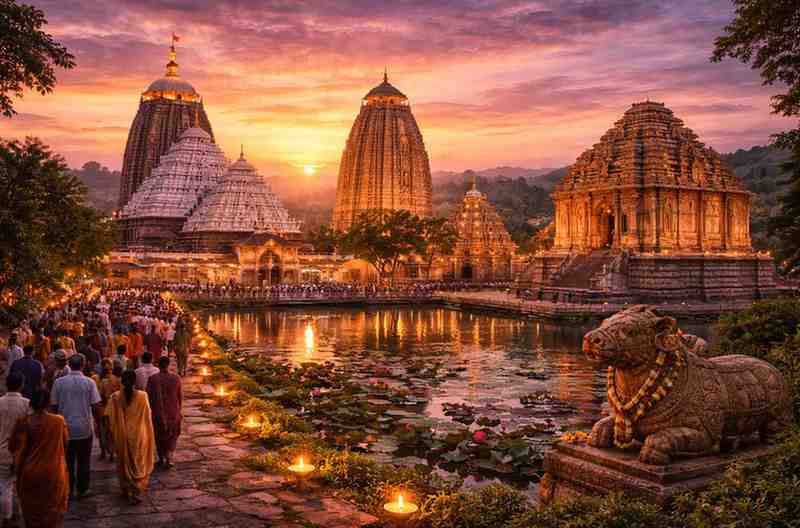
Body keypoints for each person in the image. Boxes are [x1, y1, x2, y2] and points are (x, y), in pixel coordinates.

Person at [9, 389, 69, 528]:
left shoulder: (24, 422)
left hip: (30, 472)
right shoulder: (58, 421)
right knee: (53, 511)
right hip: (54, 472)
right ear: (48, 403)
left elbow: (13, 446)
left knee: (32, 513)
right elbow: (65, 444)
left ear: (31, 403)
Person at [51, 354, 101, 499]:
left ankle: (68, 488)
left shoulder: (58, 383)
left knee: (67, 460)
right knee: (84, 460)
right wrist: (99, 424)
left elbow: (53, 407)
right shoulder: (89, 382)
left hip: (65, 428)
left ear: (69, 364)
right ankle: (83, 489)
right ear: (83, 365)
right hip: (84, 427)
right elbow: (96, 405)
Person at [108, 370, 155, 505]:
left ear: (121, 381)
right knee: (137, 463)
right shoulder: (143, 396)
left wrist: (111, 432)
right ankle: (135, 490)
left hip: (122, 436)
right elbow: (147, 416)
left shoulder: (115, 397)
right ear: (135, 381)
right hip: (139, 435)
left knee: (123, 462)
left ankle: (126, 489)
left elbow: (109, 417)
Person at [0, 373, 29, 527]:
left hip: (2, 452)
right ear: (21, 385)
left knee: (5, 486)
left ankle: (7, 517)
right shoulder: (26, 404)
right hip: (22, 452)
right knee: (21, 487)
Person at [146, 356, 182, 468]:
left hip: (157, 412)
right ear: (168, 364)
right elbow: (179, 396)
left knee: (159, 435)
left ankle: (162, 457)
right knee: (172, 435)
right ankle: (169, 456)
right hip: (173, 411)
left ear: (158, 365)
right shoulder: (176, 378)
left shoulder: (153, 379)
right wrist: (179, 409)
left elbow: (148, 396)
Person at [97, 360, 122, 461]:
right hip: (116, 409)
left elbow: (101, 396)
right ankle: (113, 453)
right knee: (114, 431)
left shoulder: (103, 381)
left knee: (105, 431)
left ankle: (106, 452)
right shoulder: (118, 380)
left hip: (106, 409)